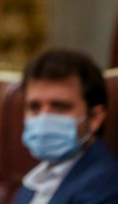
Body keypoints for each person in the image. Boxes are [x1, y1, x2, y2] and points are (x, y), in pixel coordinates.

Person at [14, 49, 118, 204]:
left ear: (95, 117)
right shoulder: (35, 179)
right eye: (34, 107)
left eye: (60, 107)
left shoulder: (107, 185)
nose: (44, 118)